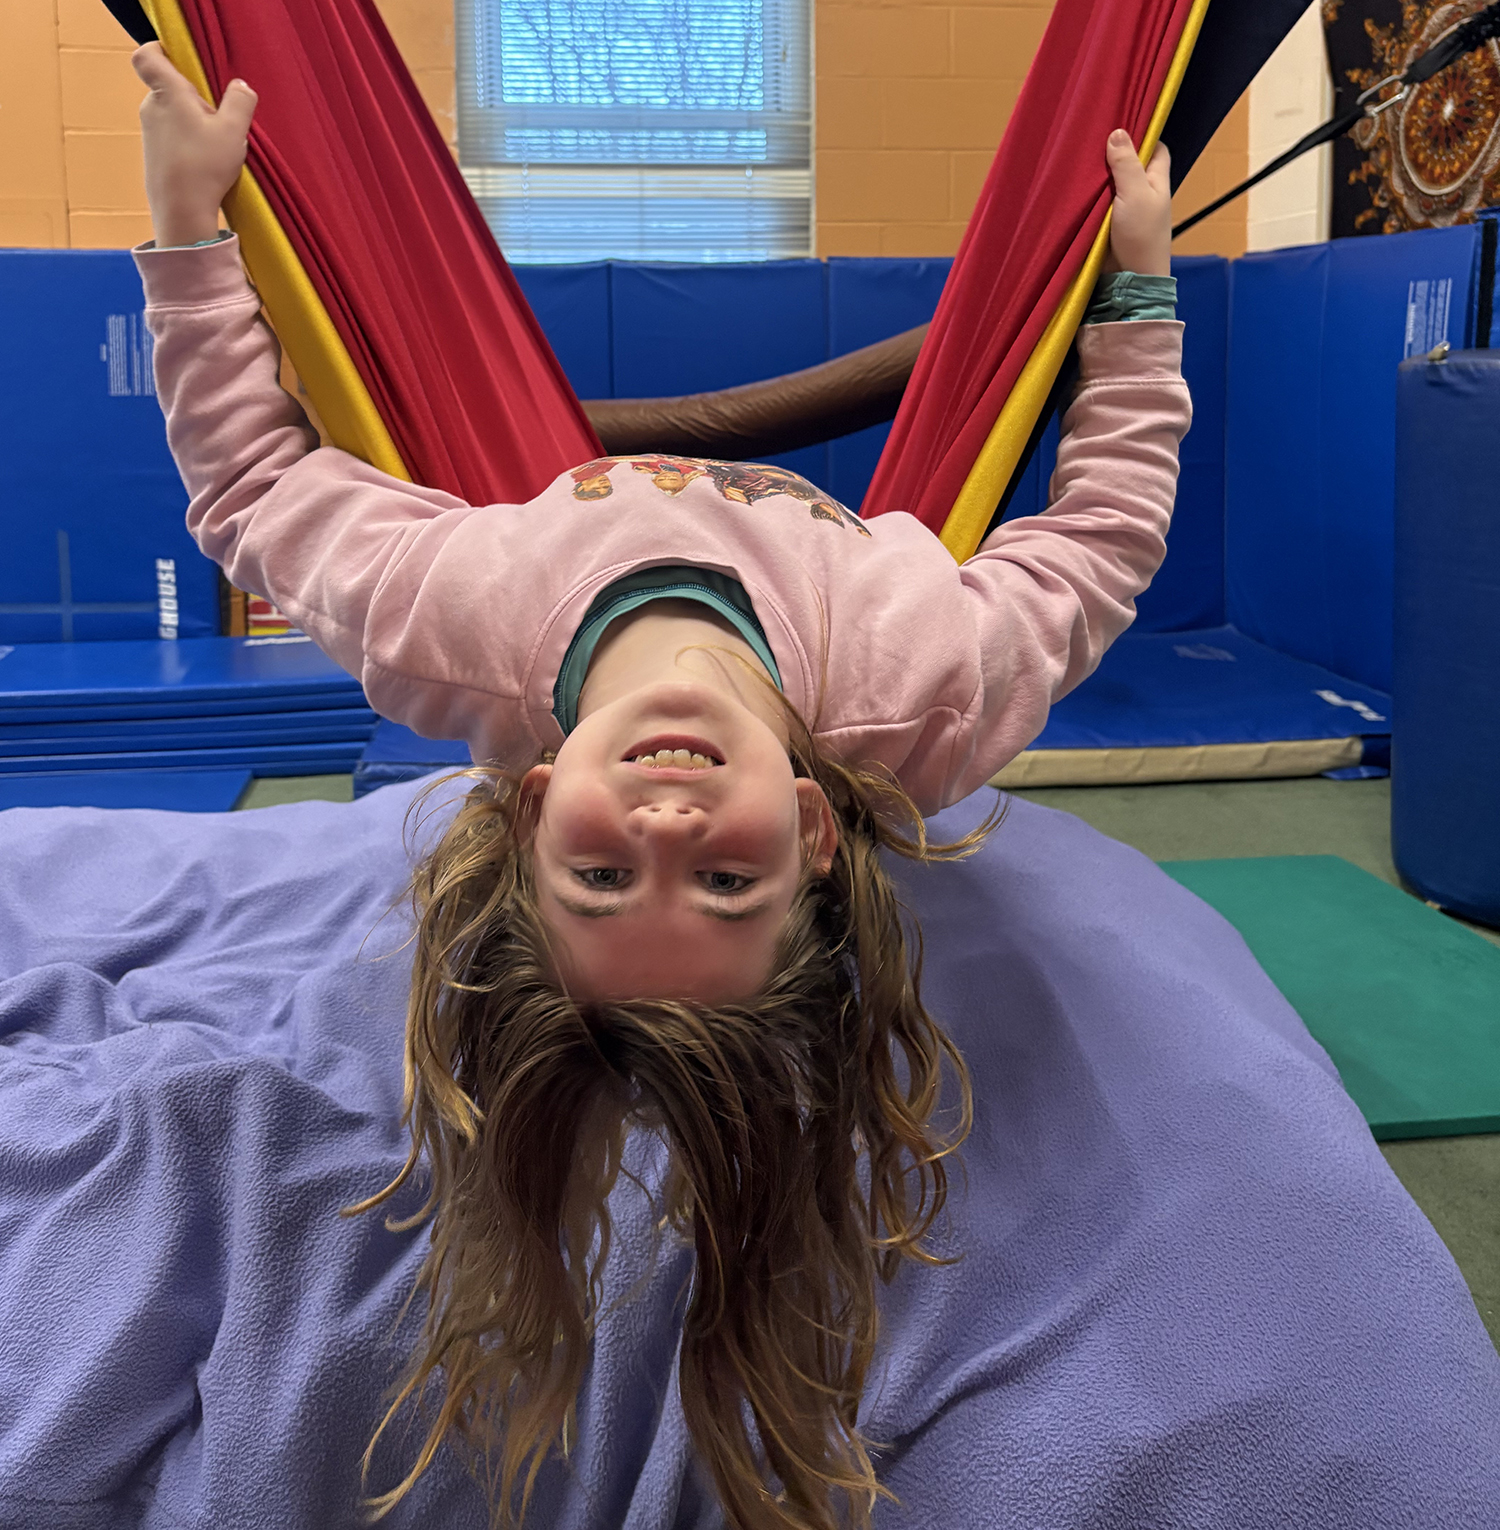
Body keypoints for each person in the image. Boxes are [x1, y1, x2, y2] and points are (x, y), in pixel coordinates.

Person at [130, 41, 1189, 1530]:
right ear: (818, 833)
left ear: (533, 796)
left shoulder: (461, 626)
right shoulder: (917, 681)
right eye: (730, 878)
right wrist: (1137, 296)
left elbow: (250, 490)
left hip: (511, 491)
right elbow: (1096, 549)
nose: (669, 830)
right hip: (856, 555)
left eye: (604, 873)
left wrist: (187, 233)